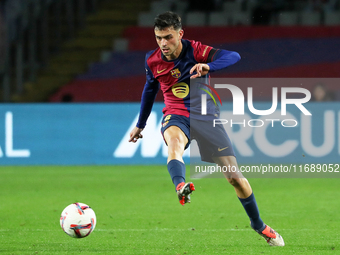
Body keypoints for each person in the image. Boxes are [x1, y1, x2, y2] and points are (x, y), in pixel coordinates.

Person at [129, 11, 284, 246]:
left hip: (207, 117)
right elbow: (149, 90)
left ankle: (258, 224)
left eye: (168, 37)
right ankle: (180, 185)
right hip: (176, 113)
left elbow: (234, 56)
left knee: (234, 178)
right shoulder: (152, 60)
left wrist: (208, 66)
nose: (163, 43)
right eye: (158, 37)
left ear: (180, 34)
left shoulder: (197, 50)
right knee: (175, 143)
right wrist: (140, 124)